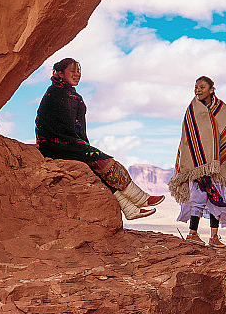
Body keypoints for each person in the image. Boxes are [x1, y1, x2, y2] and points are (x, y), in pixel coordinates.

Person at [35, 58, 164, 220]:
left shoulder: (72, 95)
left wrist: (81, 144)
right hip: (56, 145)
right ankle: (141, 199)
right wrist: (80, 146)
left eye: (79, 71)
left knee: (96, 171)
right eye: (72, 71)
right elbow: (56, 126)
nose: (77, 75)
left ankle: (131, 209)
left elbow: (77, 127)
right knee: (102, 160)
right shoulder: (56, 93)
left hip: (69, 143)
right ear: (60, 73)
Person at [169, 76, 226, 248]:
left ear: (212, 89)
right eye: (196, 87)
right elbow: (187, 138)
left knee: (216, 196)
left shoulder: (221, 108)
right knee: (198, 196)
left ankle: (214, 237)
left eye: (202, 87)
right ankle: (193, 233)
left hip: (217, 163)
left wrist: (217, 156)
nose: (197, 90)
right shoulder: (191, 110)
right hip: (197, 163)